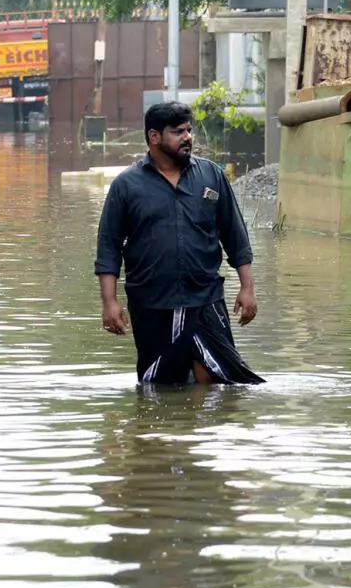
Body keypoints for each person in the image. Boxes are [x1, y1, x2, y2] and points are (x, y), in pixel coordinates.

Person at [94, 101, 264, 385]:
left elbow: (235, 236)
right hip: (152, 303)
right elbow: (109, 248)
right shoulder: (127, 185)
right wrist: (109, 302)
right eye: (177, 132)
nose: (187, 137)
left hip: (205, 299)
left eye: (189, 130)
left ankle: (204, 429)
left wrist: (248, 288)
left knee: (214, 376)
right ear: (154, 137)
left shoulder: (211, 176)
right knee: (160, 384)